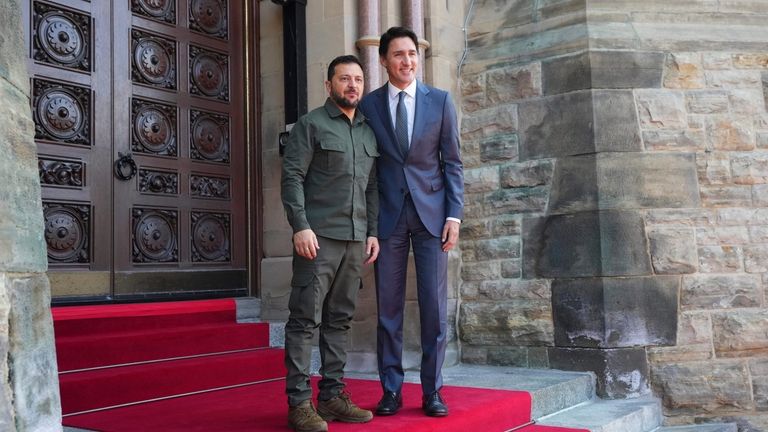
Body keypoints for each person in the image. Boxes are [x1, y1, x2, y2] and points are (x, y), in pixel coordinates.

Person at [358, 27, 464, 418]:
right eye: (399, 54)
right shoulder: (369, 107)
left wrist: (454, 214)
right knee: (388, 310)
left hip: (432, 217)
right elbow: (366, 169)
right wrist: (368, 224)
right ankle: (391, 391)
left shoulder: (440, 101)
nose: (407, 61)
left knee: (434, 309)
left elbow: (452, 162)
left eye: (412, 54)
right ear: (383, 60)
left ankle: (432, 391)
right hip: (387, 220)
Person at [281, 54, 380, 432]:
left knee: (339, 320)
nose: (352, 85)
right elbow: (291, 178)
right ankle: (300, 404)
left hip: (355, 240)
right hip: (317, 239)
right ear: (329, 85)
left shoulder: (368, 132)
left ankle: (333, 396)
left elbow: (373, 186)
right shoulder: (311, 125)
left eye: (357, 79)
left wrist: (372, 232)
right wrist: (300, 225)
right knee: (305, 319)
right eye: (344, 79)